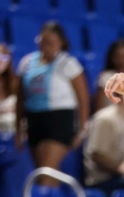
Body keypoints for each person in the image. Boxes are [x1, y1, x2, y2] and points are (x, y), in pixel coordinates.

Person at [15, 21, 90, 186]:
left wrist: (82, 129)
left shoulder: (68, 64)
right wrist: (18, 128)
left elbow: (83, 99)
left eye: (51, 42)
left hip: (59, 121)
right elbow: (20, 99)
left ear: (60, 42)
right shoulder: (27, 62)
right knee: (41, 173)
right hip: (35, 120)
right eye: (43, 41)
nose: (46, 46)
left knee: (46, 172)